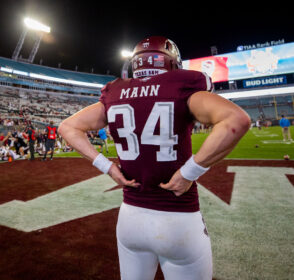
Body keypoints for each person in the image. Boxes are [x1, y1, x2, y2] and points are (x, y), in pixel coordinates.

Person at [58, 36, 250, 280]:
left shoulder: (116, 91)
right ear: (172, 63)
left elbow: (67, 128)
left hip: (130, 218)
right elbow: (237, 120)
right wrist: (188, 172)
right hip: (178, 219)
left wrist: (109, 169)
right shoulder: (182, 85)